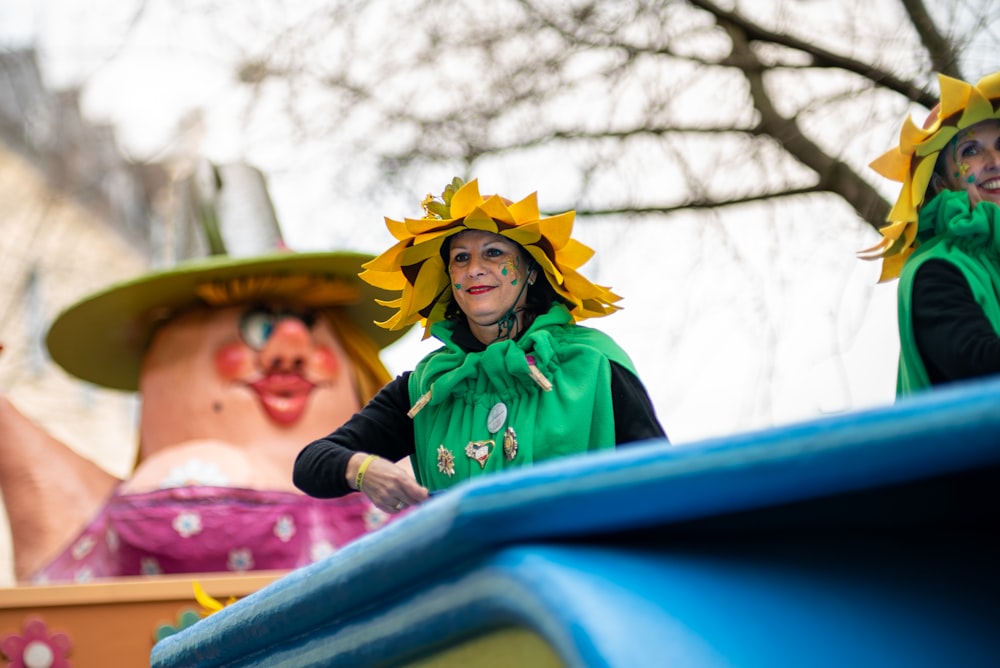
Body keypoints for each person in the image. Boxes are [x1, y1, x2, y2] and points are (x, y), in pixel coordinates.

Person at [0, 163, 411, 582]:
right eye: (258, 329)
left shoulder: (403, 474)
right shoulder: (109, 522)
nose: (289, 352)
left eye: (308, 325)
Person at [294, 178, 667, 514]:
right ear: (450, 279)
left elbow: (661, 482)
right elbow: (311, 464)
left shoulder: (591, 361)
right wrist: (363, 469)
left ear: (531, 271)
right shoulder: (428, 387)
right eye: (460, 258)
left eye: (493, 253)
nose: (474, 268)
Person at [861, 71, 1000, 396]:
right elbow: (982, 369)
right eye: (970, 151)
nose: (994, 161)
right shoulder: (935, 270)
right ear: (941, 184)